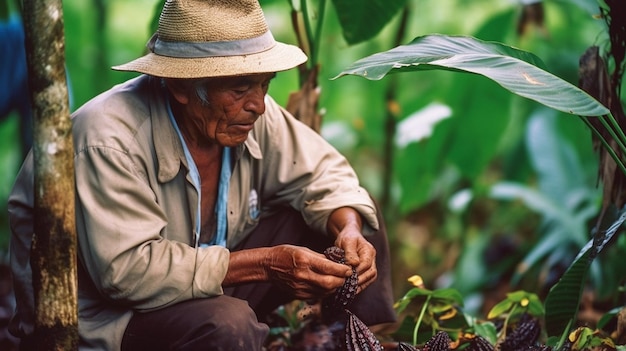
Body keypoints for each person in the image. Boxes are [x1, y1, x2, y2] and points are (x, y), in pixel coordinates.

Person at [8, 0, 396, 350]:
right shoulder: (107, 140)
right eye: (241, 87)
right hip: (111, 322)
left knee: (353, 217)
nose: (259, 105)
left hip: (209, 287)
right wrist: (266, 263)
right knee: (227, 326)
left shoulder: (248, 114)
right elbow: (128, 274)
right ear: (181, 86)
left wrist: (347, 228)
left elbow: (327, 175)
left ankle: (358, 340)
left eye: (265, 85)